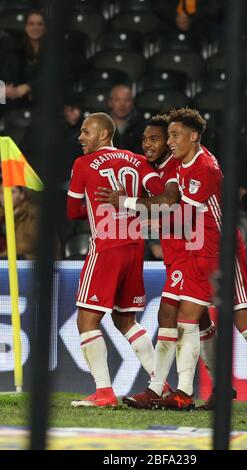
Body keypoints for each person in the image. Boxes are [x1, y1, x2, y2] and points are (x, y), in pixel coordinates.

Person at [98, 108, 247, 414]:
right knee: (181, 316)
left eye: (170, 136)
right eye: (164, 137)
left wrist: (131, 207)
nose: (166, 143)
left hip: (219, 252)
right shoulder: (179, 162)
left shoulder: (204, 169)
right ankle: (176, 389)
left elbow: (173, 209)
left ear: (193, 136)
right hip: (194, 250)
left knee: (237, 319)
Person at [97, 114, 231, 411]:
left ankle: (167, 389)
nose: (150, 144)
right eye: (146, 139)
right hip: (178, 252)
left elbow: (170, 203)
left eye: (157, 138)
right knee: (196, 320)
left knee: (173, 316)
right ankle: (218, 387)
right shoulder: (155, 167)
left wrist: (130, 204)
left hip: (191, 252)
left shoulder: (174, 168)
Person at [67, 112, 167, 408]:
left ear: (103, 134)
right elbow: (162, 193)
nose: (80, 137)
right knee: (125, 319)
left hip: (107, 247)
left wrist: (99, 207)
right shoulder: (138, 160)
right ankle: (160, 384)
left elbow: (73, 211)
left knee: (87, 319)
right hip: (136, 245)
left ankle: (104, 392)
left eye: (86, 132)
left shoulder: (82, 164)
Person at [5, 10, 47, 106]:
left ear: (45, 28)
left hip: (45, 103)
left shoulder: (54, 51)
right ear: (26, 27)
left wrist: (29, 86)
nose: (35, 27)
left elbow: (55, 76)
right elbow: (7, 73)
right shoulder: (16, 49)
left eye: (39, 24)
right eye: (31, 24)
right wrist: (6, 88)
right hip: (19, 102)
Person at [108, 84, 146, 154]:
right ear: (110, 102)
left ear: (132, 103)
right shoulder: (101, 124)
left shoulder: (142, 126)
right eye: (117, 100)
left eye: (127, 100)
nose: (122, 104)